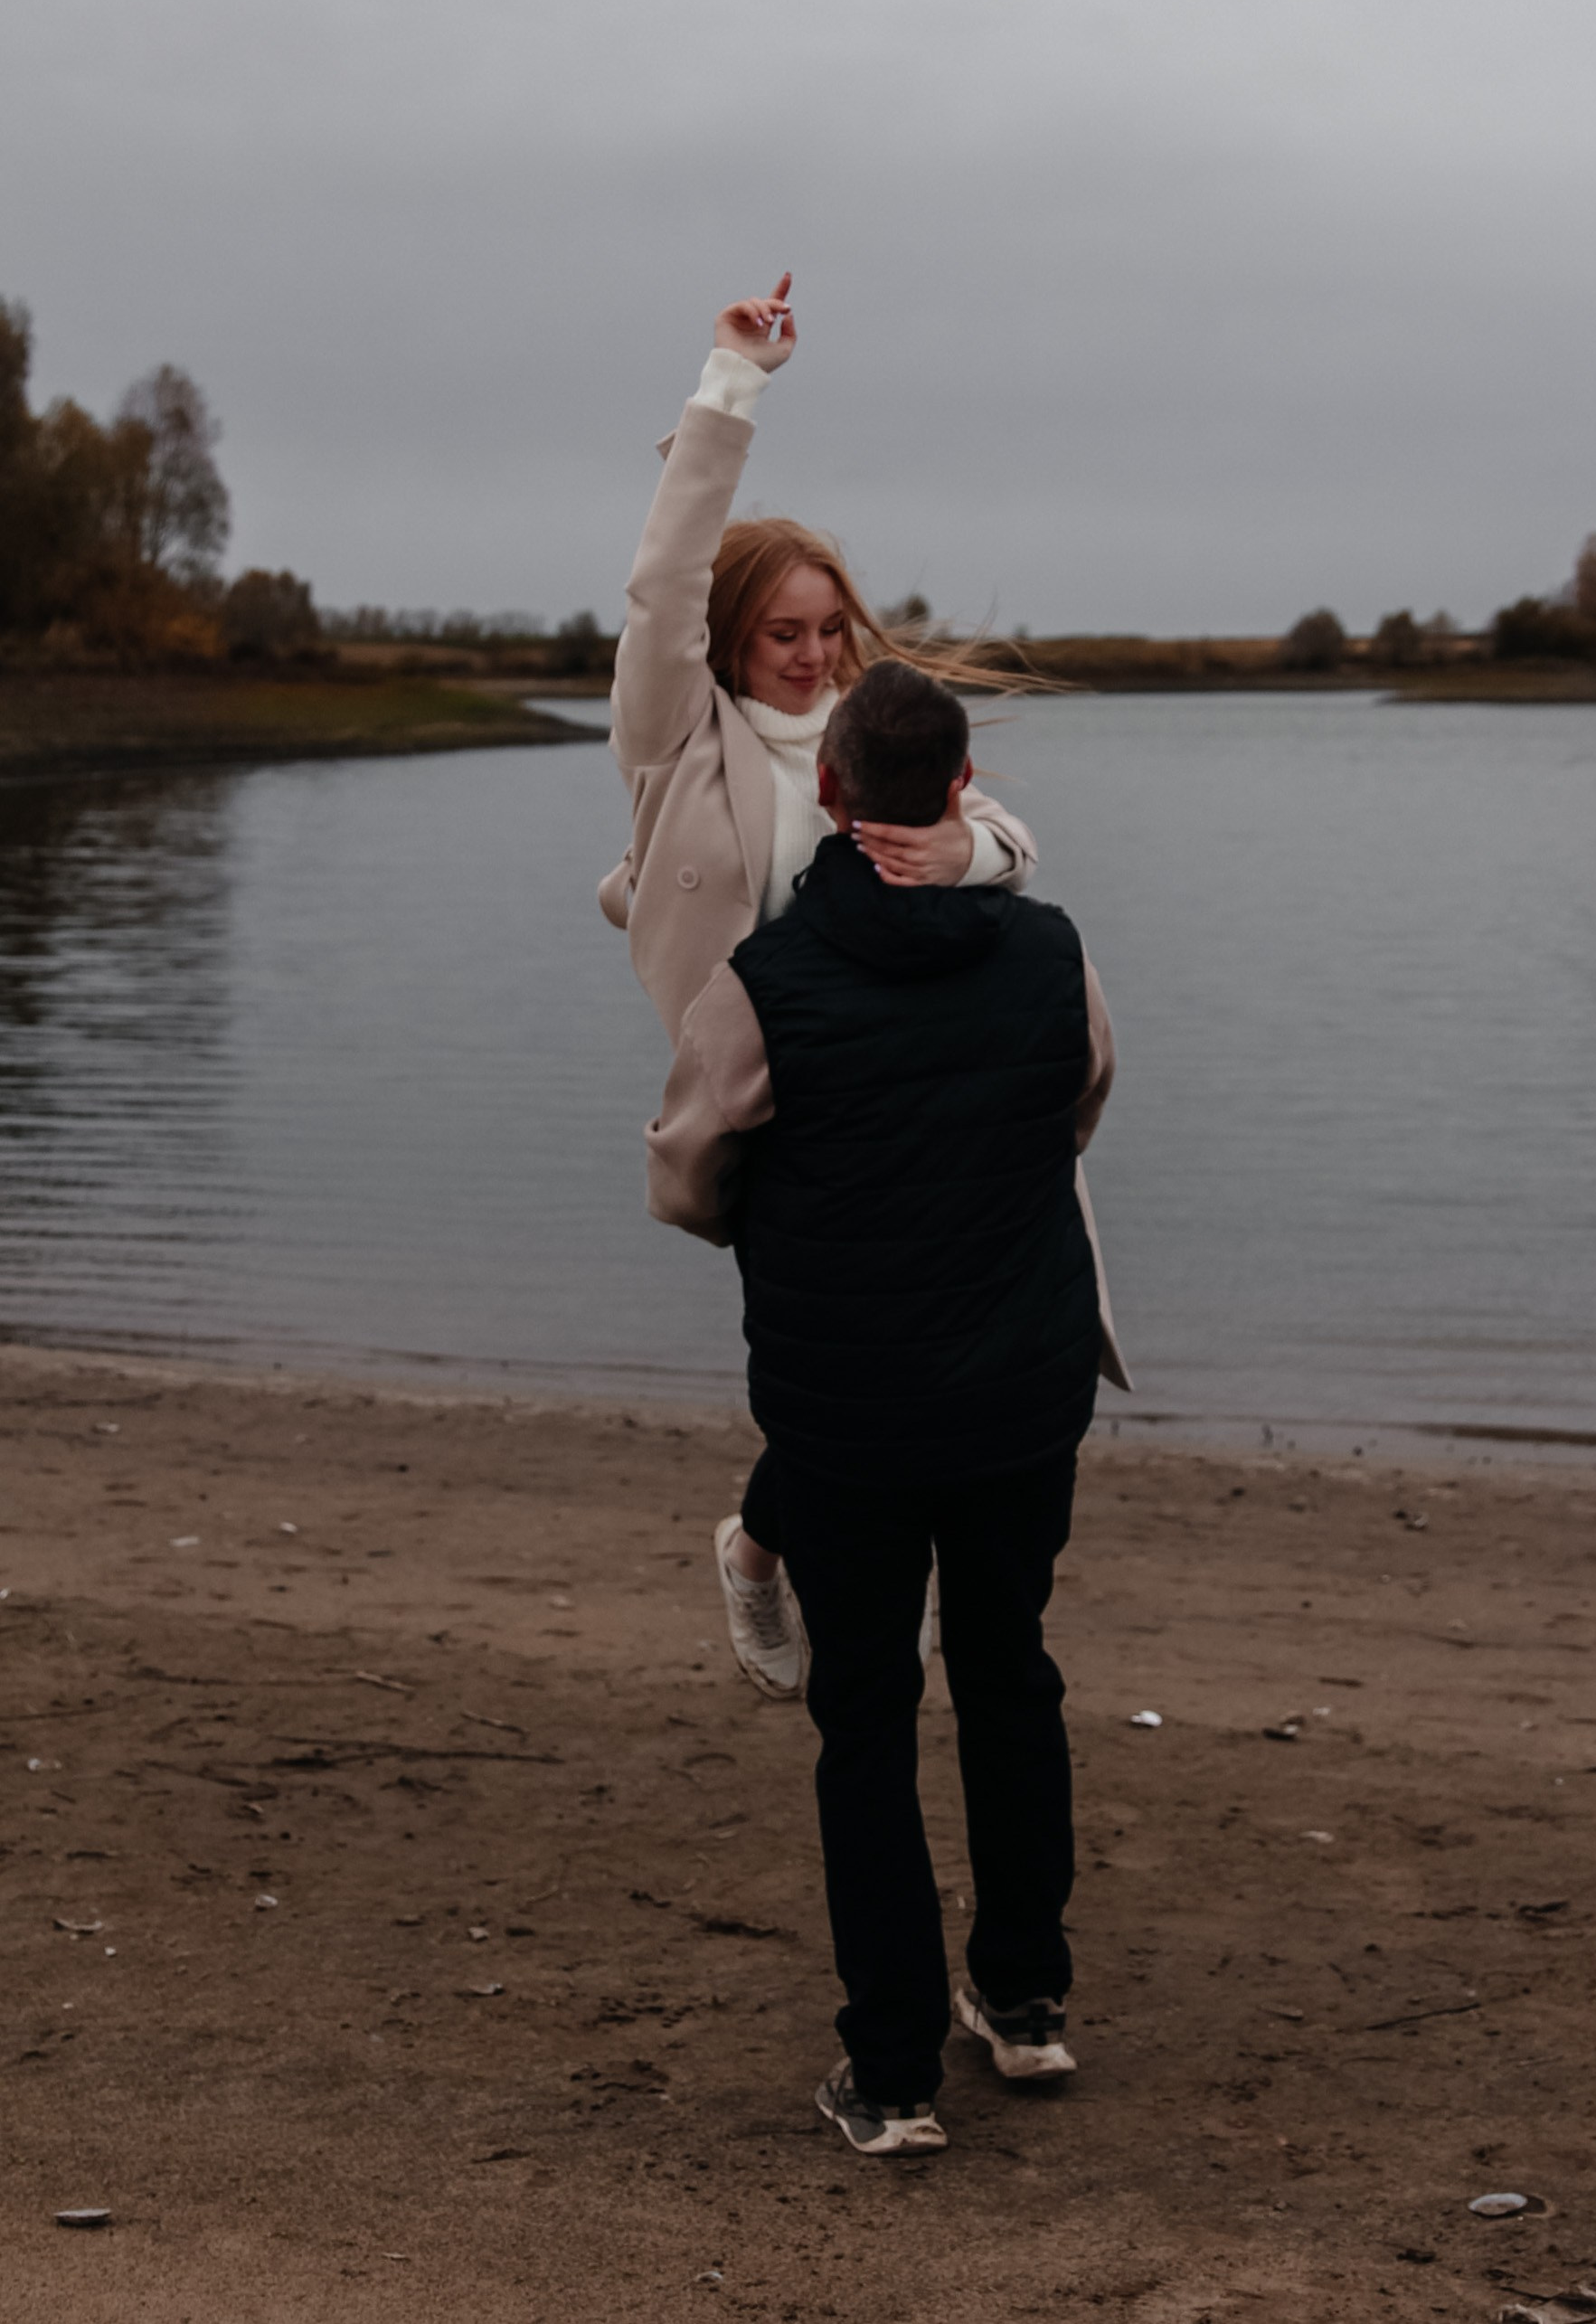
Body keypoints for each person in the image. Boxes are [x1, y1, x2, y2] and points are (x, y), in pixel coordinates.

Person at [647, 657, 1117, 2156]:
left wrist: (785, 1219)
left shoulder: (767, 983)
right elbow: (1082, 1096)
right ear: (963, 792)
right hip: (1019, 1397)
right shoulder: (1052, 953)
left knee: (867, 1721)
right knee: (1009, 1675)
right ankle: (1026, 2004)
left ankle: (895, 2073)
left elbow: (687, 1168)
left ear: (834, 797)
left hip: (848, 1410)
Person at [597, 276, 1058, 1696]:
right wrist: (733, 380)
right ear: (732, 643)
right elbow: (666, 576)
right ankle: (771, 1552)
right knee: (836, 1363)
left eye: (828, 625)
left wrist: (971, 845)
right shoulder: (683, 742)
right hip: (772, 1101)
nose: (812, 652)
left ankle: (787, 1549)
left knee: (905, 1353)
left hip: (907, 1098)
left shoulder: (879, 734)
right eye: (782, 632)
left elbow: (1015, 841)